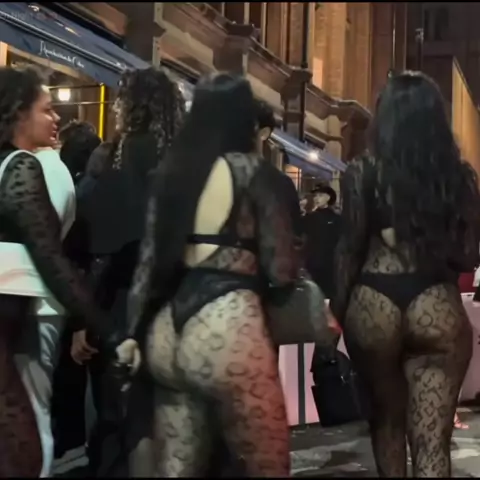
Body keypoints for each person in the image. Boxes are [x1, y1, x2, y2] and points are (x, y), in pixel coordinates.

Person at [120, 72, 298, 476]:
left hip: (167, 332)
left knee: (177, 469)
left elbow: (146, 268)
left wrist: (131, 334)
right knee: (268, 465)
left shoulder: (170, 174)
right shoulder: (254, 173)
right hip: (228, 325)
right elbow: (282, 268)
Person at [331, 71, 480, 477]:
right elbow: (468, 257)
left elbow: (348, 249)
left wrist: (338, 317)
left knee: (387, 424)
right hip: (434, 300)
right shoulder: (457, 176)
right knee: (432, 444)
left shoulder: (362, 172)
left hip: (373, 302)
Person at [0, 65, 129, 477]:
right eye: (46, 109)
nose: (56, 117)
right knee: (28, 430)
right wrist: (102, 324)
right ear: (19, 113)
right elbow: (50, 256)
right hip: (21, 309)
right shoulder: (22, 165)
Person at [66, 67, 185, 476]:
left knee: (116, 420)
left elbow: (90, 246)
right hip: (176, 309)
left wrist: (83, 321)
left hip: (117, 307)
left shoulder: (111, 158)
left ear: (128, 106)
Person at [304, 184, 341, 300]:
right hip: (313, 264)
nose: (316, 198)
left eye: (320, 195)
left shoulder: (336, 219)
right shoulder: (310, 217)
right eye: (315, 196)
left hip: (328, 264)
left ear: (328, 197)